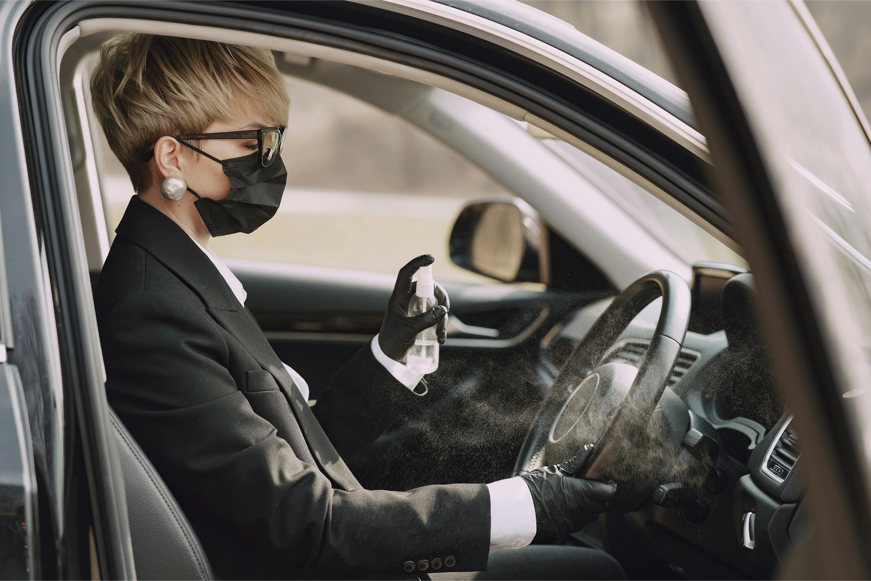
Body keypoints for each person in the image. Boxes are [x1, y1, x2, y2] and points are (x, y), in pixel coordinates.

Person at [90, 33, 624, 579]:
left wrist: (391, 355)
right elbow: (304, 521)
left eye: (275, 140)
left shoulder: (180, 276)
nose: (272, 163)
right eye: (254, 143)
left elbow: (289, 459)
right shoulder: (152, 308)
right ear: (171, 154)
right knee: (597, 572)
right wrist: (524, 506)